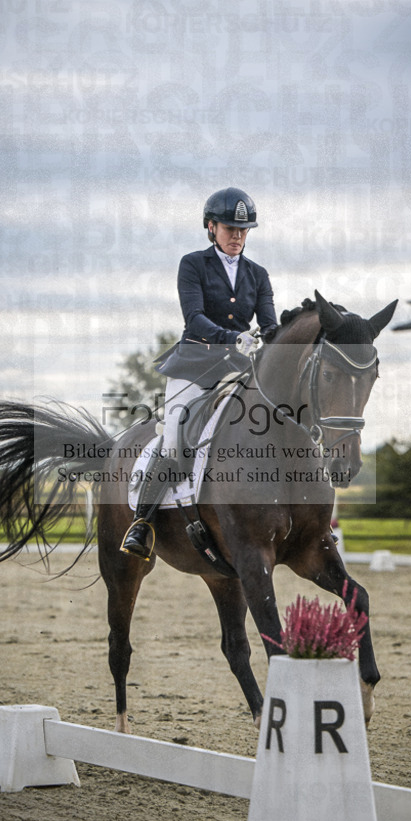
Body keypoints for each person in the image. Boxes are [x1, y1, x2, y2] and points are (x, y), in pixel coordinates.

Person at [120, 186, 278, 560]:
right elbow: (194, 318)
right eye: (229, 228)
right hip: (194, 365)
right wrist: (231, 338)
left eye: (243, 230)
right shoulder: (192, 264)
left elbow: (269, 323)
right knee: (175, 433)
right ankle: (142, 523)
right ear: (211, 227)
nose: (237, 236)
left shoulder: (258, 274)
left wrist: (276, 340)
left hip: (239, 368)